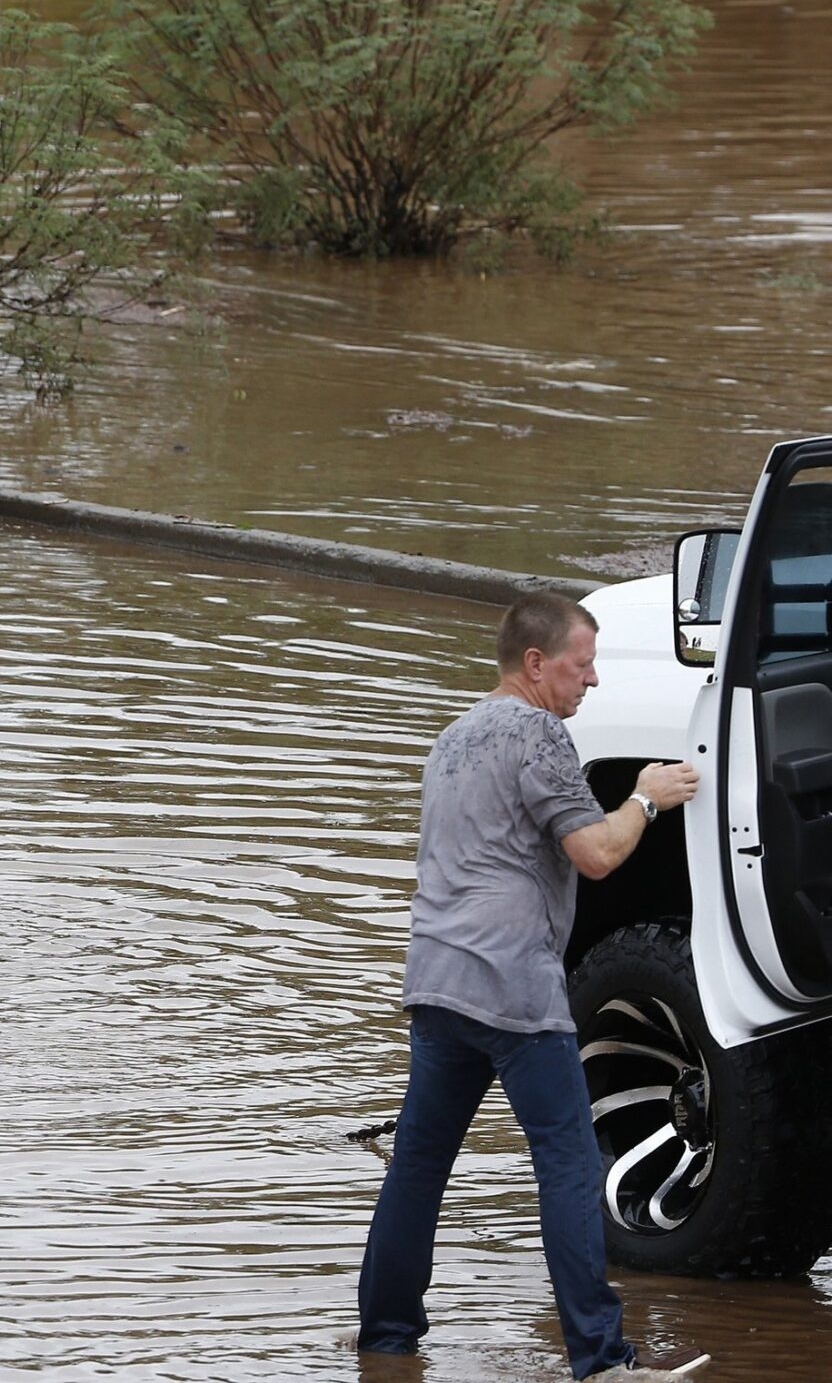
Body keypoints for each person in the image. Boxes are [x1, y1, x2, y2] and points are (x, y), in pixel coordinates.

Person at [357, 592, 704, 1382]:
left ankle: (385, 1341)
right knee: (570, 1165)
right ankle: (602, 1359)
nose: (591, 684)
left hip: (437, 980)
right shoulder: (539, 732)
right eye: (582, 667)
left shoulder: (451, 737)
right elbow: (597, 854)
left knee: (418, 1164)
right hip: (513, 984)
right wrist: (648, 797)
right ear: (537, 664)